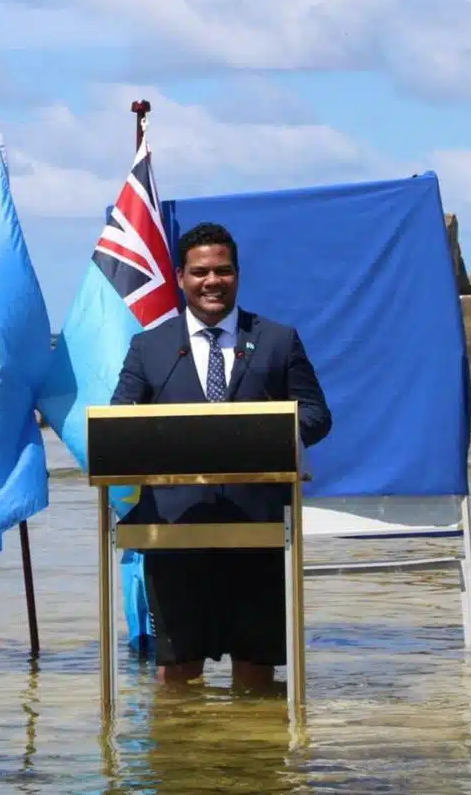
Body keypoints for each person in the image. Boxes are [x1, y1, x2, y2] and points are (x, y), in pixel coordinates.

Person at [111, 222, 332, 688]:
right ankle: (182, 760)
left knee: (256, 672)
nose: (212, 281)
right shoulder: (149, 347)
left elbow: (316, 414)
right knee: (176, 671)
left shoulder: (276, 339)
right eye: (200, 272)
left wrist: (264, 434)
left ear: (237, 275)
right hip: (173, 530)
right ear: (180, 277)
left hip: (259, 526)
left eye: (223, 270)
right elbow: (120, 419)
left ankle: (248, 760)